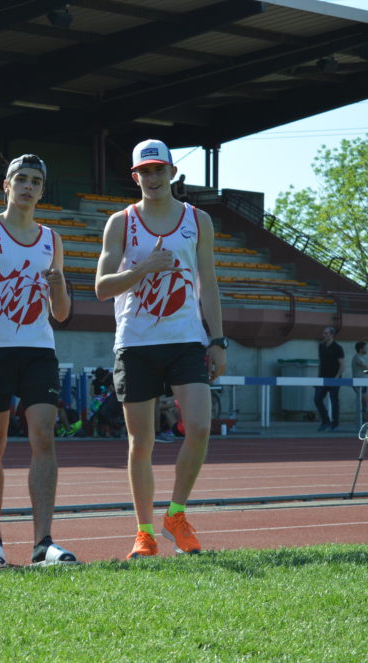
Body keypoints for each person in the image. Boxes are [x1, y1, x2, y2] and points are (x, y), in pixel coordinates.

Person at [94, 139, 227, 560]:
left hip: (187, 339)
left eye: (158, 170)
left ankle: (176, 514)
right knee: (142, 441)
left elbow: (208, 283)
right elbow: (100, 288)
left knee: (201, 427)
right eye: (143, 172)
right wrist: (144, 267)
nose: (151, 178)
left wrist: (218, 339)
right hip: (136, 342)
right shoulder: (121, 222)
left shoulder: (198, 220)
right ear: (135, 177)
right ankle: (145, 532)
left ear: (172, 173)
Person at [0, 153, 78, 568]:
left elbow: (60, 313)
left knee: (44, 434)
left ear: (42, 191)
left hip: (38, 349)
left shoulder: (51, 239)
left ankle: (44, 542)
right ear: (6, 185)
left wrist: (60, 287)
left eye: (35, 182)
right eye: (20, 179)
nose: (27, 186)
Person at [314, 326, 345, 432]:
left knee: (334, 401)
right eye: (323, 333)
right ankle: (325, 421)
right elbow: (321, 363)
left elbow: (342, 364)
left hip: (334, 379)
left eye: (326, 333)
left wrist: (336, 378)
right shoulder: (321, 346)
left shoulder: (337, 347)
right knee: (317, 399)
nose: (324, 335)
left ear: (332, 335)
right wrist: (318, 378)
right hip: (323, 378)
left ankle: (335, 424)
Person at [351, 340, 368, 421]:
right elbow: (365, 367)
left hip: (363, 382)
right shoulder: (357, 358)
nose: (366, 349)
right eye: (365, 348)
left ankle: (363, 416)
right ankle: (362, 417)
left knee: (364, 400)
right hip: (358, 382)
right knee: (363, 399)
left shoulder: (361, 357)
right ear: (360, 349)